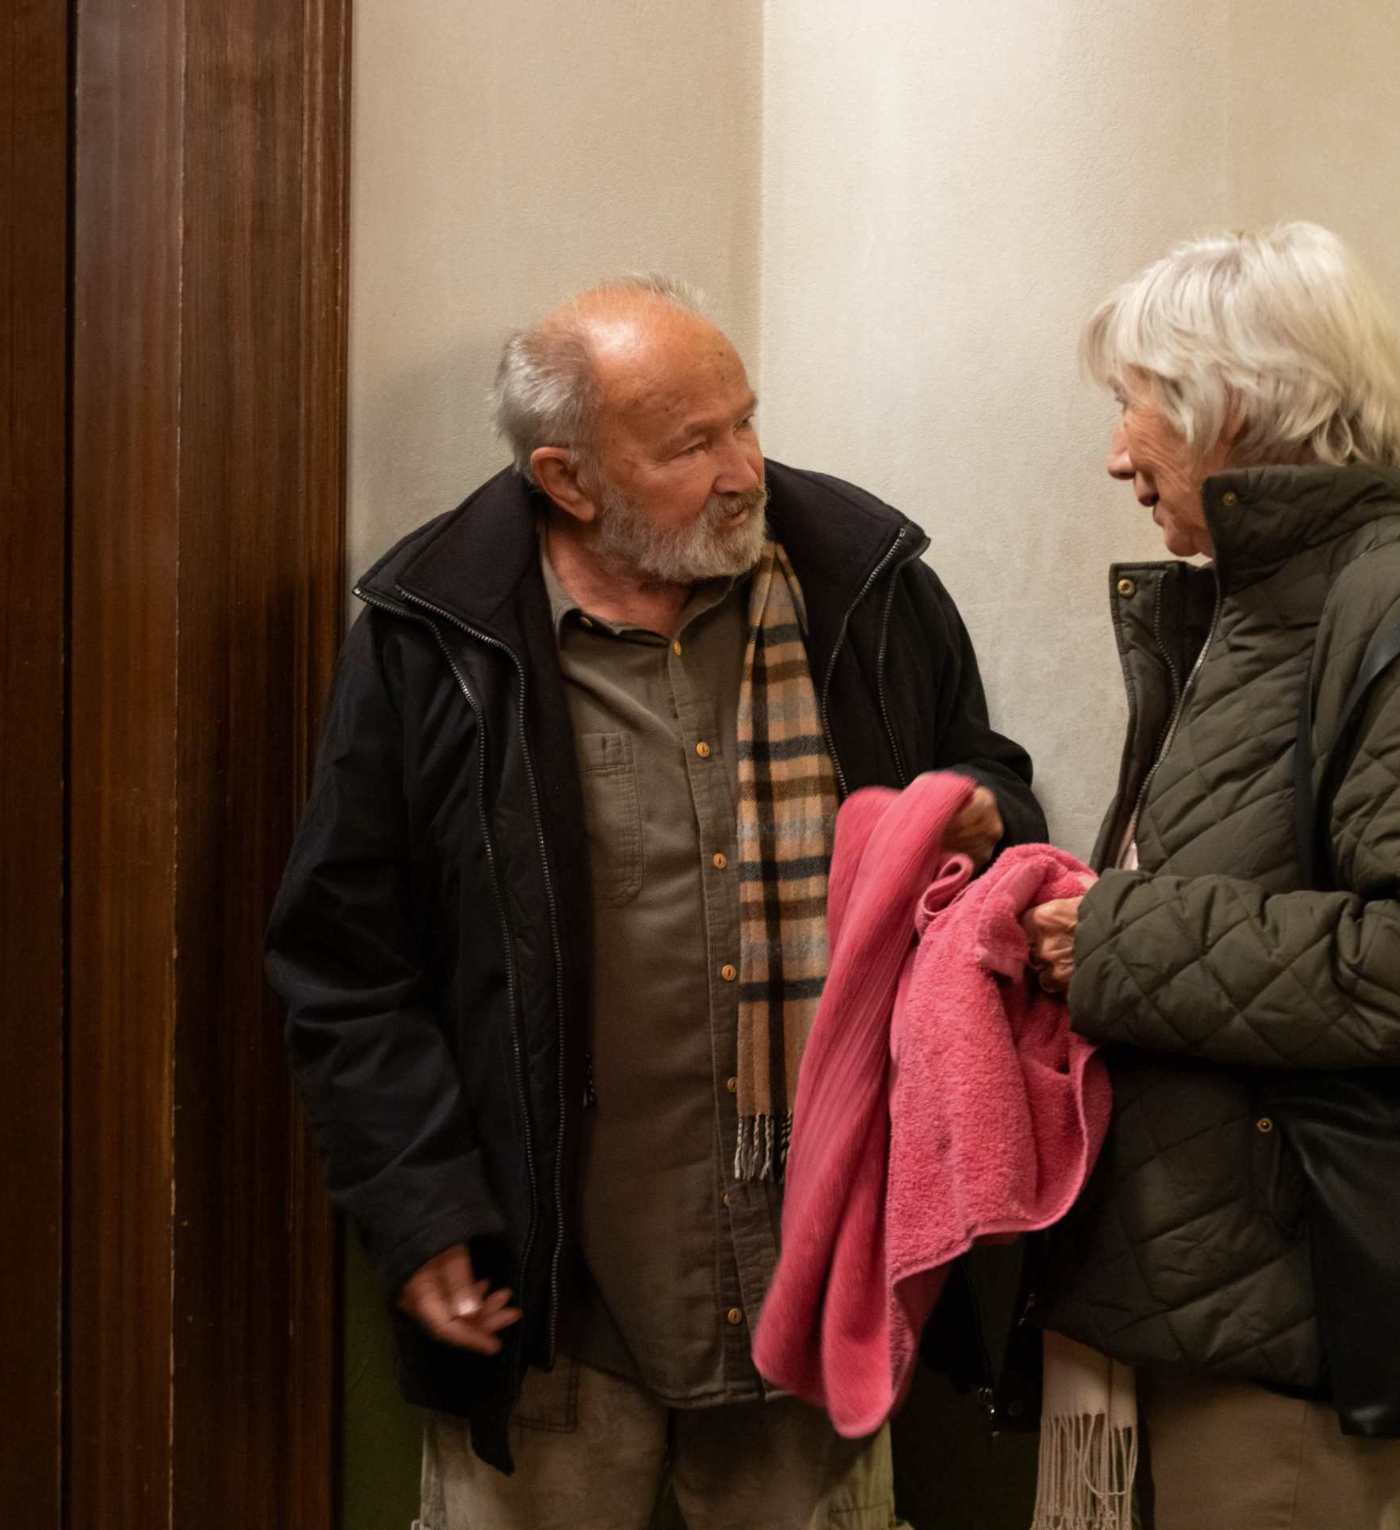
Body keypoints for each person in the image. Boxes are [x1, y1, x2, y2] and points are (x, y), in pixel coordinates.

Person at [268, 274, 1043, 1529]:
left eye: (745, 421)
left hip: (822, 1279)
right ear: (566, 480)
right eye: (691, 446)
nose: (744, 470)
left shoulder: (860, 583)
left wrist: (975, 810)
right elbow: (347, 961)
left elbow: (989, 781)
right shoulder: (435, 638)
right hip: (554, 1309)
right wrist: (419, 1208)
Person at [1021, 223, 1400, 1529]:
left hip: (1286, 1319)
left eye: (1135, 403)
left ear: (1234, 403)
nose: (1116, 453)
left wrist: (1118, 941)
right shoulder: (1249, 607)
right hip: (1189, 1291)